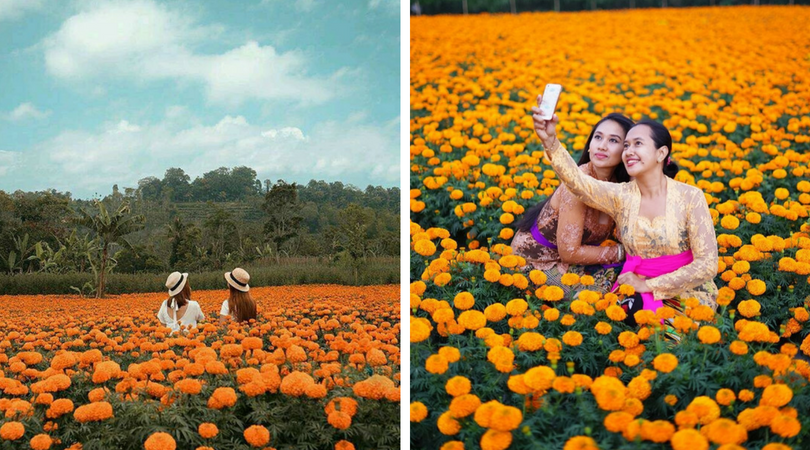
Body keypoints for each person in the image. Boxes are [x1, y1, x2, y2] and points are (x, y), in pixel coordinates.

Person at [532, 95, 718, 325]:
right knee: (619, 328)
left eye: (638, 144)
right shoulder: (622, 195)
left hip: (687, 290)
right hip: (635, 285)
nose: (629, 151)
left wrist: (651, 285)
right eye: (627, 145)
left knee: (675, 343)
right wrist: (551, 141)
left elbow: (708, 263)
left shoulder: (690, 197)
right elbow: (578, 183)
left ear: (661, 154)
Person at [511, 113, 633, 294]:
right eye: (598, 137)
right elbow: (569, 252)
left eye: (613, 140)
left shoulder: (618, 185)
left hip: (573, 262)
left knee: (635, 279)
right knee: (602, 298)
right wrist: (623, 253)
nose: (602, 145)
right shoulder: (577, 184)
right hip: (536, 263)